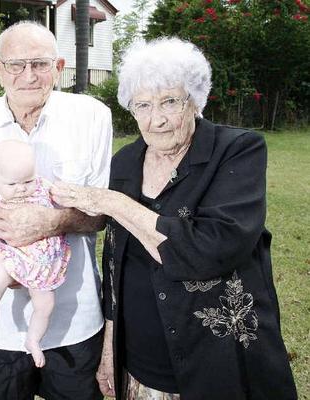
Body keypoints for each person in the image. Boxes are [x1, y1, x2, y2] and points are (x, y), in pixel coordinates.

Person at [51, 37, 298, 400]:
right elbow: (115, 262)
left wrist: (112, 202)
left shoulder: (237, 151)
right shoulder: (125, 162)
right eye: (143, 105)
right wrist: (109, 350)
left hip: (220, 362)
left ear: (195, 100)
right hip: (139, 362)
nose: (157, 119)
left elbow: (210, 249)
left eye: (169, 101)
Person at [0, 21, 113, 400]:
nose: (28, 76)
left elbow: (101, 213)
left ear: (58, 66)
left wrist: (50, 223)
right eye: (16, 65)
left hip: (73, 316)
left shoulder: (92, 117)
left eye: (39, 64)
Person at [0, 140, 71, 368]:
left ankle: (33, 339)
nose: (21, 188)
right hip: (10, 251)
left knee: (46, 304)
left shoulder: (42, 187)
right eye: (12, 183)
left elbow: (63, 201)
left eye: (28, 180)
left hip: (41, 259)